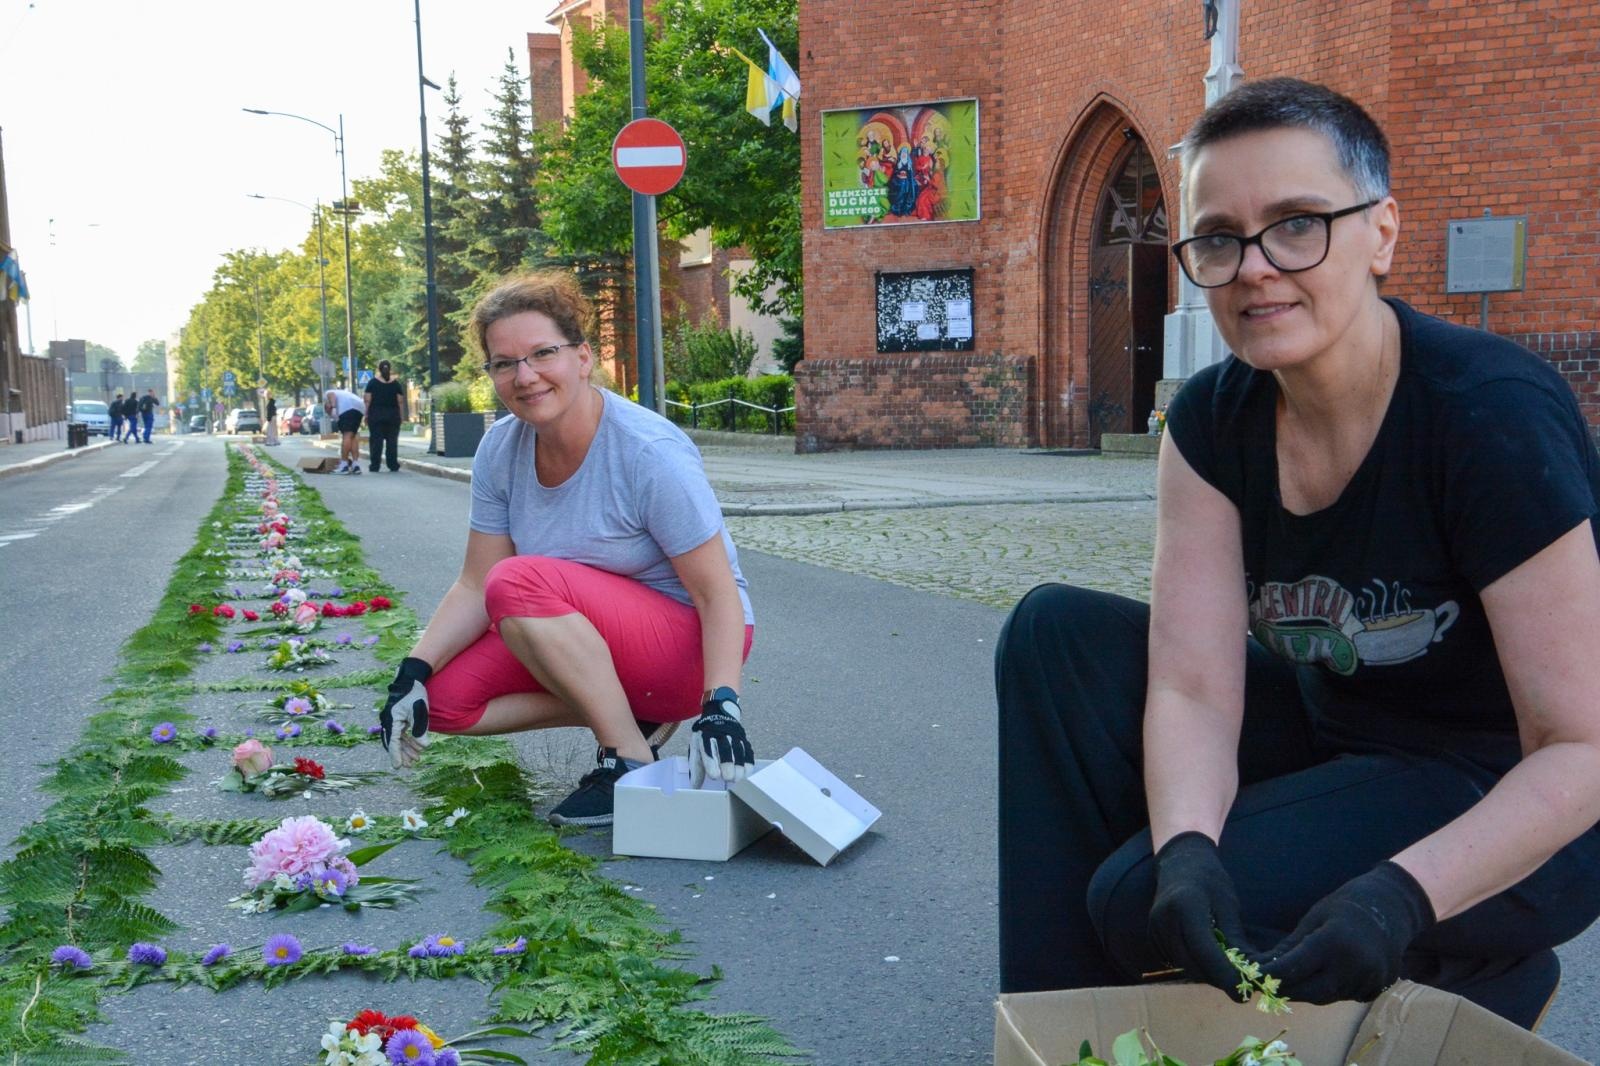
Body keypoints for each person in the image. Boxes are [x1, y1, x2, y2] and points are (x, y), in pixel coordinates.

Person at [995, 77, 1600, 1030]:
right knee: (1052, 635)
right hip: (1338, 737)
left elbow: (1582, 747)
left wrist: (1397, 897)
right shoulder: (1211, 419)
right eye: (1219, 238)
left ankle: (1481, 971)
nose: (1255, 267)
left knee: (1125, 899)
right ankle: (1055, 1026)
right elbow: (1193, 687)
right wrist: (1188, 848)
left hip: (1509, 797)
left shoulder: (1488, 417)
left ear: (1382, 233)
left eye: (1297, 224)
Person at [375, 271, 757, 827]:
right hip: (593, 637)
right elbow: (476, 582)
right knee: (445, 703)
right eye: (504, 363)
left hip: (689, 644)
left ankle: (626, 757)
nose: (524, 376)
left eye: (541, 354)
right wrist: (411, 671)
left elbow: (716, 590)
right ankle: (631, 718)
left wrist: (721, 705)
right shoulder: (500, 449)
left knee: (520, 581)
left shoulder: (647, 452)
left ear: (582, 357)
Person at [363, 360, 407, 472]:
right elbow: (400, 402)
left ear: (379, 369)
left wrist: (366, 414)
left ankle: (375, 465)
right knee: (392, 441)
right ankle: (393, 465)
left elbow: (367, 400)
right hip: (393, 416)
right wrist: (401, 416)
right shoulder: (396, 384)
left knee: (376, 442)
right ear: (390, 369)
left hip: (376, 415)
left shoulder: (372, 383)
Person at [323, 387, 366, 473]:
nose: (330, 414)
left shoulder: (328, 393)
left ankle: (344, 465)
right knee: (353, 436)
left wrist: (334, 409)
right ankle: (355, 465)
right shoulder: (343, 394)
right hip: (360, 408)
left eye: (328, 412)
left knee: (347, 435)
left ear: (328, 406)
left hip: (348, 408)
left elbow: (332, 396)